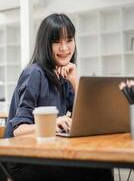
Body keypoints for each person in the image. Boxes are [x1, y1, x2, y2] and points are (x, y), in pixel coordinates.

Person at [4, 13, 114, 181]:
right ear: (45, 44)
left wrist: (74, 82)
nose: (64, 48)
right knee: (98, 171)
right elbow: (19, 131)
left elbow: (84, 121)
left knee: (102, 167)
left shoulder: (64, 75)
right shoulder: (34, 73)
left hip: (49, 151)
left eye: (69, 40)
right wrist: (52, 124)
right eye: (57, 42)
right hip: (23, 159)